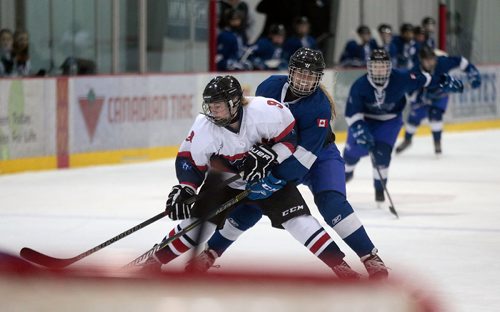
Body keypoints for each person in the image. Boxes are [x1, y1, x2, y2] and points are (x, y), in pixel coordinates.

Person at [187, 48, 389, 280]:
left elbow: (305, 156)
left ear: (318, 78)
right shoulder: (270, 86)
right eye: (300, 74)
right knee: (252, 204)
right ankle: (211, 252)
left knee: (331, 203)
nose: (304, 80)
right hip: (277, 155)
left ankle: (370, 256)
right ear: (290, 72)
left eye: (311, 76)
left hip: (319, 157)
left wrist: (274, 179)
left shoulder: (319, 105)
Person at [140, 75, 361, 279]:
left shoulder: (265, 111)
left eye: (218, 106)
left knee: (299, 220)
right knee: (200, 224)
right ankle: (155, 260)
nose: (213, 111)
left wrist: (272, 155)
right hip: (226, 180)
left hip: (266, 178)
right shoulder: (204, 128)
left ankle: (340, 266)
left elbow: (290, 139)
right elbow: (189, 159)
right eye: (210, 105)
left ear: (235, 103)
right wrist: (187, 187)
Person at [343, 49, 464, 203]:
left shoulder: (401, 78)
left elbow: (425, 79)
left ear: (389, 67)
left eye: (383, 66)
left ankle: (380, 191)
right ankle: (347, 173)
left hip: (390, 122)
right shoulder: (360, 86)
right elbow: (351, 112)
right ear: (369, 67)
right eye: (375, 66)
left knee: (382, 154)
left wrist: (443, 81)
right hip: (365, 120)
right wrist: (359, 128)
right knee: (351, 154)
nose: (379, 70)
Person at [395, 45, 481, 155]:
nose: (431, 62)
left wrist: (472, 72)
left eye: (433, 59)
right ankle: (407, 140)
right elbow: (410, 92)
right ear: (421, 61)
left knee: (436, 115)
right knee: (413, 119)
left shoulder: (443, 63)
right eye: (427, 60)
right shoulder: (415, 71)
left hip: (440, 96)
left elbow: (462, 61)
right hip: (422, 99)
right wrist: (419, 98)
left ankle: (437, 142)